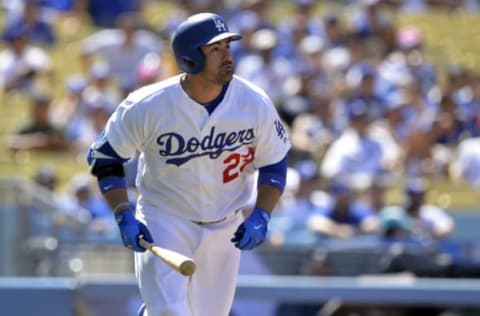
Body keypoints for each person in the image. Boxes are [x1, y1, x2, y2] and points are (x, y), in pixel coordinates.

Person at [86, 12, 290, 316]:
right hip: (164, 219)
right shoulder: (147, 105)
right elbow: (105, 157)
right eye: (215, 49)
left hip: (226, 225)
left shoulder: (254, 102)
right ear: (190, 58)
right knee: (169, 312)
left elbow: (275, 161)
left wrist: (262, 214)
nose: (227, 56)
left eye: (227, 47)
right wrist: (122, 212)